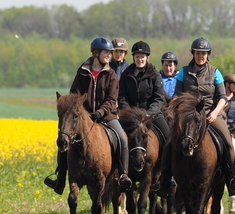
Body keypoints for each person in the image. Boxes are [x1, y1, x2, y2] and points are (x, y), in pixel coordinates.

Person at [155, 37, 235, 197]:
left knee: (228, 143)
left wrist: (215, 113)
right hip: (188, 117)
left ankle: (231, 179)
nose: (201, 56)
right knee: (169, 143)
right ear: (193, 53)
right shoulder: (183, 72)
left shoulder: (215, 72)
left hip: (210, 114)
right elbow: (177, 95)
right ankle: (165, 181)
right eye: (198, 53)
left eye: (203, 53)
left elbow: (223, 97)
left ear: (208, 54)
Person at [44, 37, 132, 194]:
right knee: (64, 140)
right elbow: (74, 96)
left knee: (122, 138)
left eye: (110, 53)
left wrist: (100, 112)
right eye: (106, 52)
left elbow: (112, 99)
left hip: (107, 116)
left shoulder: (111, 74)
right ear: (96, 53)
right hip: (84, 117)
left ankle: (123, 174)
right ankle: (60, 179)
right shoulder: (83, 72)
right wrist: (80, 111)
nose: (109, 55)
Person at [118, 41, 170, 145]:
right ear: (134, 58)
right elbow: (122, 97)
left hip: (152, 114)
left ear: (147, 58)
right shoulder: (126, 74)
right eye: (137, 57)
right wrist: (129, 113)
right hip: (131, 115)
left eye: (142, 57)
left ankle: (166, 161)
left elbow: (159, 98)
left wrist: (148, 114)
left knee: (169, 137)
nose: (140, 59)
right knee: (117, 138)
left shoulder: (155, 75)